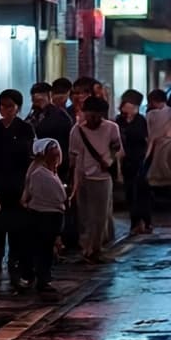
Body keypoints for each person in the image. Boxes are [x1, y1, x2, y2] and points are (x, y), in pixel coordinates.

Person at [0, 88, 35, 284]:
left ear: (18, 108)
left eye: (9, 106)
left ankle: (14, 263)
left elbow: (30, 156)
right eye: (2, 106)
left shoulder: (25, 128)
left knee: (17, 228)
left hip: (18, 183)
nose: (5, 110)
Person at [69, 96, 122, 264]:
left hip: (102, 177)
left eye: (97, 116)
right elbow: (74, 157)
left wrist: (109, 162)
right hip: (83, 176)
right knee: (84, 215)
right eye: (90, 115)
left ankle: (96, 249)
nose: (93, 119)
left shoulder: (112, 128)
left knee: (100, 216)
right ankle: (86, 248)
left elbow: (116, 148)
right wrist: (74, 181)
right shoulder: (77, 130)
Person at [21, 138, 66, 296]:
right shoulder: (41, 173)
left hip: (48, 215)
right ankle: (42, 278)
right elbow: (60, 195)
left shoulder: (46, 171)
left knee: (44, 248)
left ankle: (40, 277)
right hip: (44, 215)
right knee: (43, 249)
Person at [116, 90, 153, 234]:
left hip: (140, 159)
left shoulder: (141, 120)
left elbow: (146, 139)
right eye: (126, 105)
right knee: (130, 192)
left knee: (142, 192)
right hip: (126, 160)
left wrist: (147, 157)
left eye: (132, 105)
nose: (129, 108)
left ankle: (146, 221)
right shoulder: (119, 121)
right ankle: (134, 222)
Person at [144, 87, 171, 192]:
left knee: (163, 168)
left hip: (164, 144)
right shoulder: (170, 112)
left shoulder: (153, 114)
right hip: (166, 144)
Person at [28, 81, 73, 175]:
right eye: (34, 98)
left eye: (40, 97)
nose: (36, 100)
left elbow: (65, 144)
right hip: (36, 162)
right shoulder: (33, 116)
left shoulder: (60, 116)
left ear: (49, 95)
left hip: (54, 163)